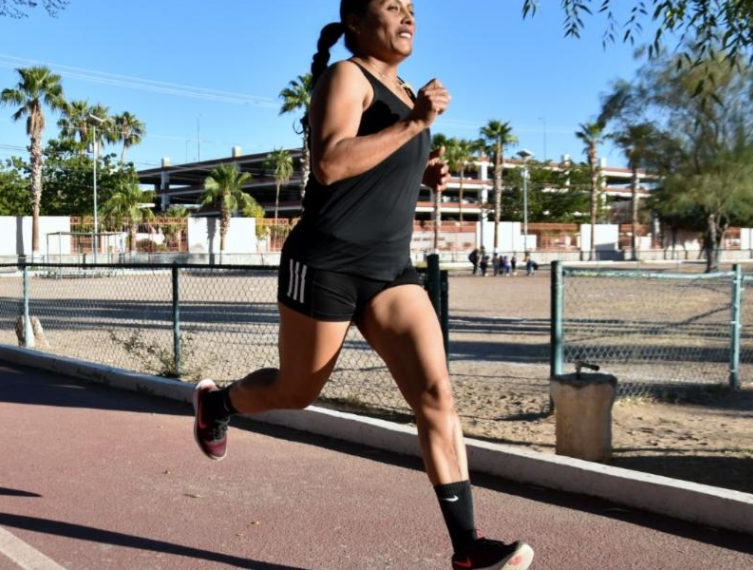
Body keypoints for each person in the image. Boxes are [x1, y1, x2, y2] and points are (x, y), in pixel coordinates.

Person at [191, 2, 534, 569]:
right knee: (296, 392)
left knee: (436, 395)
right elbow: (329, 162)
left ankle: (468, 548)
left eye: (412, 7)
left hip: (389, 269)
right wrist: (414, 124)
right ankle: (217, 403)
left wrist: (422, 169)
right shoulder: (347, 77)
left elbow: (375, 165)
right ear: (355, 21)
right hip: (324, 263)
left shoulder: (403, 91)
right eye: (392, 5)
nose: (407, 16)